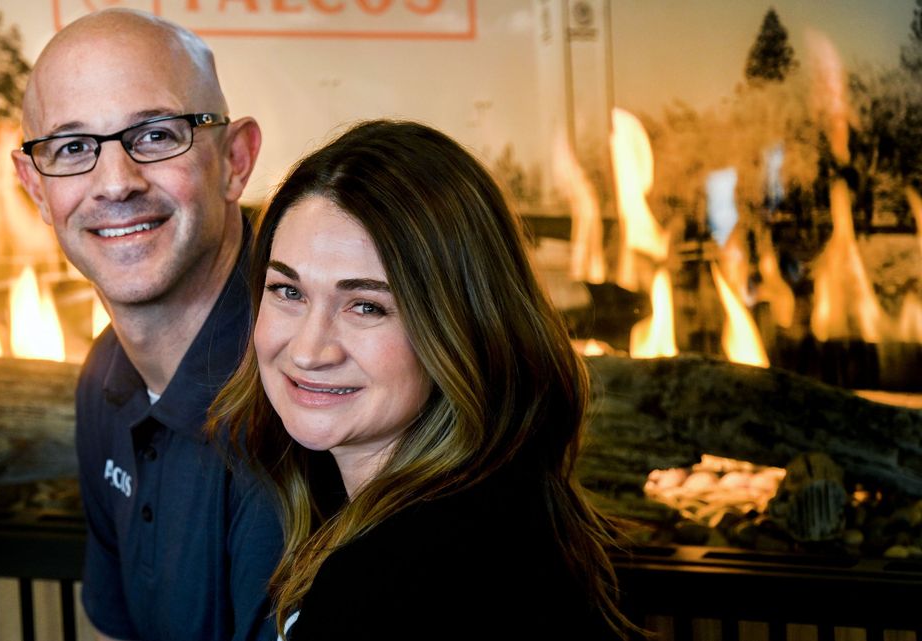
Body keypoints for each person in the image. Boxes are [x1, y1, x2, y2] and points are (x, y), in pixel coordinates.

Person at [209, 120, 638, 639]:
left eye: (366, 305)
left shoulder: (396, 578)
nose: (308, 349)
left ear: (460, 325)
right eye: (288, 291)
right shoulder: (498, 502)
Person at [11, 9, 281, 641]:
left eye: (156, 135)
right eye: (73, 148)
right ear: (35, 189)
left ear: (235, 161)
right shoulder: (105, 374)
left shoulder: (304, 392)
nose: (115, 184)